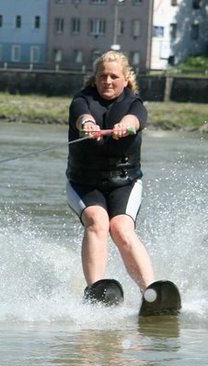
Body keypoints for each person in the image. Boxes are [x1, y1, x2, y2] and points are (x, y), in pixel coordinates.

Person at [65, 50, 155, 299]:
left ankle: (151, 291)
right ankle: (95, 290)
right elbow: (80, 116)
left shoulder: (133, 104)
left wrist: (128, 125)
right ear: (95, 78)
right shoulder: (81, 100)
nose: (107, 81)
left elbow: (136, 119)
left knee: (121, 228)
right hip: (84, 184)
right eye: (102, 75)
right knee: (97, 221)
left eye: (114, 76)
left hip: (124, 183)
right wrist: (88, 125)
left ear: (125, 79)